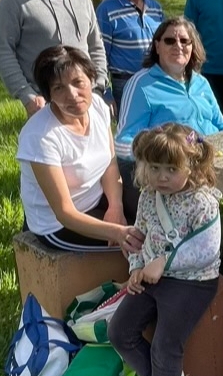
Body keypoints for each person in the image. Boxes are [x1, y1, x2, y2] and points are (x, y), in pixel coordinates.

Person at [115, 17, 223, 285]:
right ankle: (216, 282)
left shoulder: (201, 83)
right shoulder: (142, 84)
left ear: (193, 47)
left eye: (184, 40)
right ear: (156, 45)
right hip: (172, 177)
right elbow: (123, 142)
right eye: (169, 40)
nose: (177, 45)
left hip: (211, 168)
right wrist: (166, 149)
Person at [108, 123, 221, 376]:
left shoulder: (202, 201)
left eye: (171, 169)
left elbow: (207, 249)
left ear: (191, 164)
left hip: (193, 281)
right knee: (119, 332)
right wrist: (136, 266)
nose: (161, 177)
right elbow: (139, 234)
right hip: (151, 275)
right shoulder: (148, 196)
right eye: (155, 167)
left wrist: (164, 263)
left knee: (165, 346)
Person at [16, 45, 143, 253]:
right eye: (59, 88)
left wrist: (115, 207)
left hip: (99, 198)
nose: (72, 95)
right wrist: (117, 233)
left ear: (91, 79)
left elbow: (110, 164)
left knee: (159, 219)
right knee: (144, 245)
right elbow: (64, 212)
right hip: (58, 225)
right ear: (48, 95)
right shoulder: (40, 136)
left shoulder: (99, 108)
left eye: (78, 82)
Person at [96, 0, 165, 113]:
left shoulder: (156, 8)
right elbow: (99, 55)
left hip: (157, 80)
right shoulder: (106, 10)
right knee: (132, 137)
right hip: (126, 85)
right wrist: (104, 91)